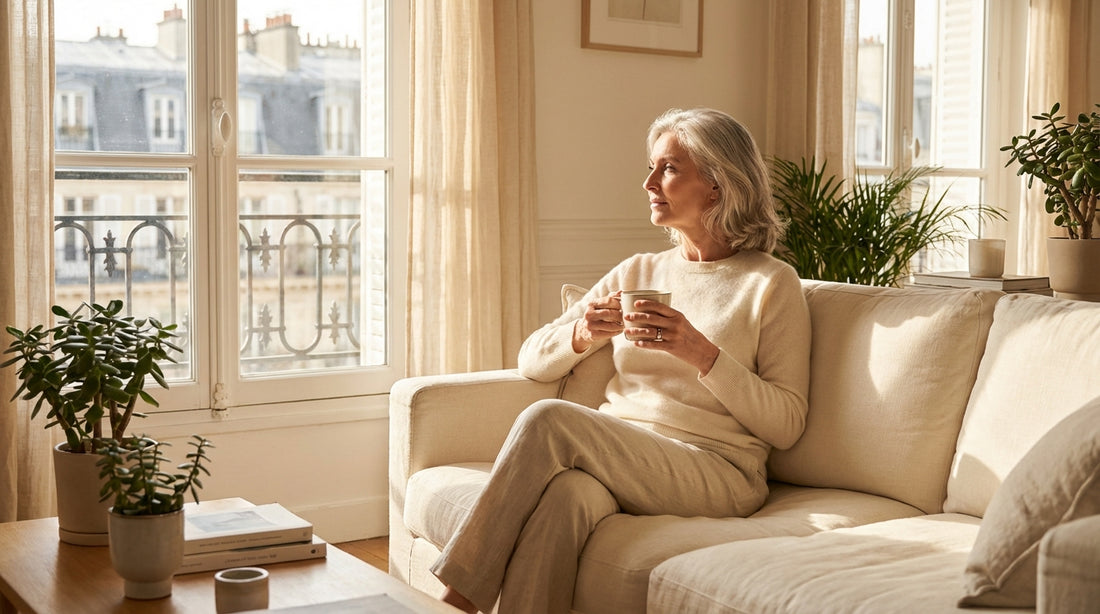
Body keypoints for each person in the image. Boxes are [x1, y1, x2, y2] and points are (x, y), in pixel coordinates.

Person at [432, 107, 811, 614]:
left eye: (668, 169)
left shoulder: (771, 283)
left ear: (717, 185)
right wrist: (583, 333)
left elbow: (787, 424)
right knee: (566, 497)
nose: (649, 183)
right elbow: (531, 360)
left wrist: (700, 352)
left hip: (718, 471)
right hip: (621, 454)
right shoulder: (638, 271)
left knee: (549, 419)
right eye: (652, 167)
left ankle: (452, 601)